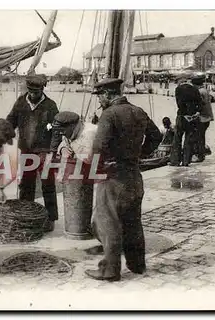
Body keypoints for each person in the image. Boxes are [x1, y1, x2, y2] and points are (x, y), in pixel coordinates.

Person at [86, 78, 162, 281]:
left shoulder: (109, 114)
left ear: (107, 94)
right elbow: (156, 136)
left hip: (112, 176)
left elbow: (99, 147)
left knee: (108, 221)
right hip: (134, 175)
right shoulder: (138, 111)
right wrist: (140, 154)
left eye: (100, 96)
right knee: (133, 221)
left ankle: (109, 270)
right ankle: (137, 265)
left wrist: (95, 170)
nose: (99, 100)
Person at [6, 74, 59, 232]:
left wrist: (52, 150)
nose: (32, 95)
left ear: (42, 89)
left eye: (36, 92)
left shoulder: (50, 106)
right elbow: (10, 121)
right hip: (26, 151)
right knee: (26, 184)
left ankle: (51, 218)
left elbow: (56, 130)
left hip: (44, 151)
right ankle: (25, 215)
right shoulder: (21, 102)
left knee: (47, 184)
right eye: (30, 91)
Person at [169, 77, 202, 166]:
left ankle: (175, 161)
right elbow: (200, 103)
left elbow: (179, 103)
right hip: (193, 117)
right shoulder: (195, 89)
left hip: (182, 116)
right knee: (189, 139)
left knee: (177, 139)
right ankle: (186, 161)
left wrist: (184, 114)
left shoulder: (178, 89)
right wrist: (194, 114)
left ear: (180, 82)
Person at [191, 73, 214, 162]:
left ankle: (199, 155)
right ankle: (201, 154)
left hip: (202, 118)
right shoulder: (205, 90)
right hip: (207, 117)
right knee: (201, 136)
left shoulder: (199, 92)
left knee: (199, 137)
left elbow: (200, 105)